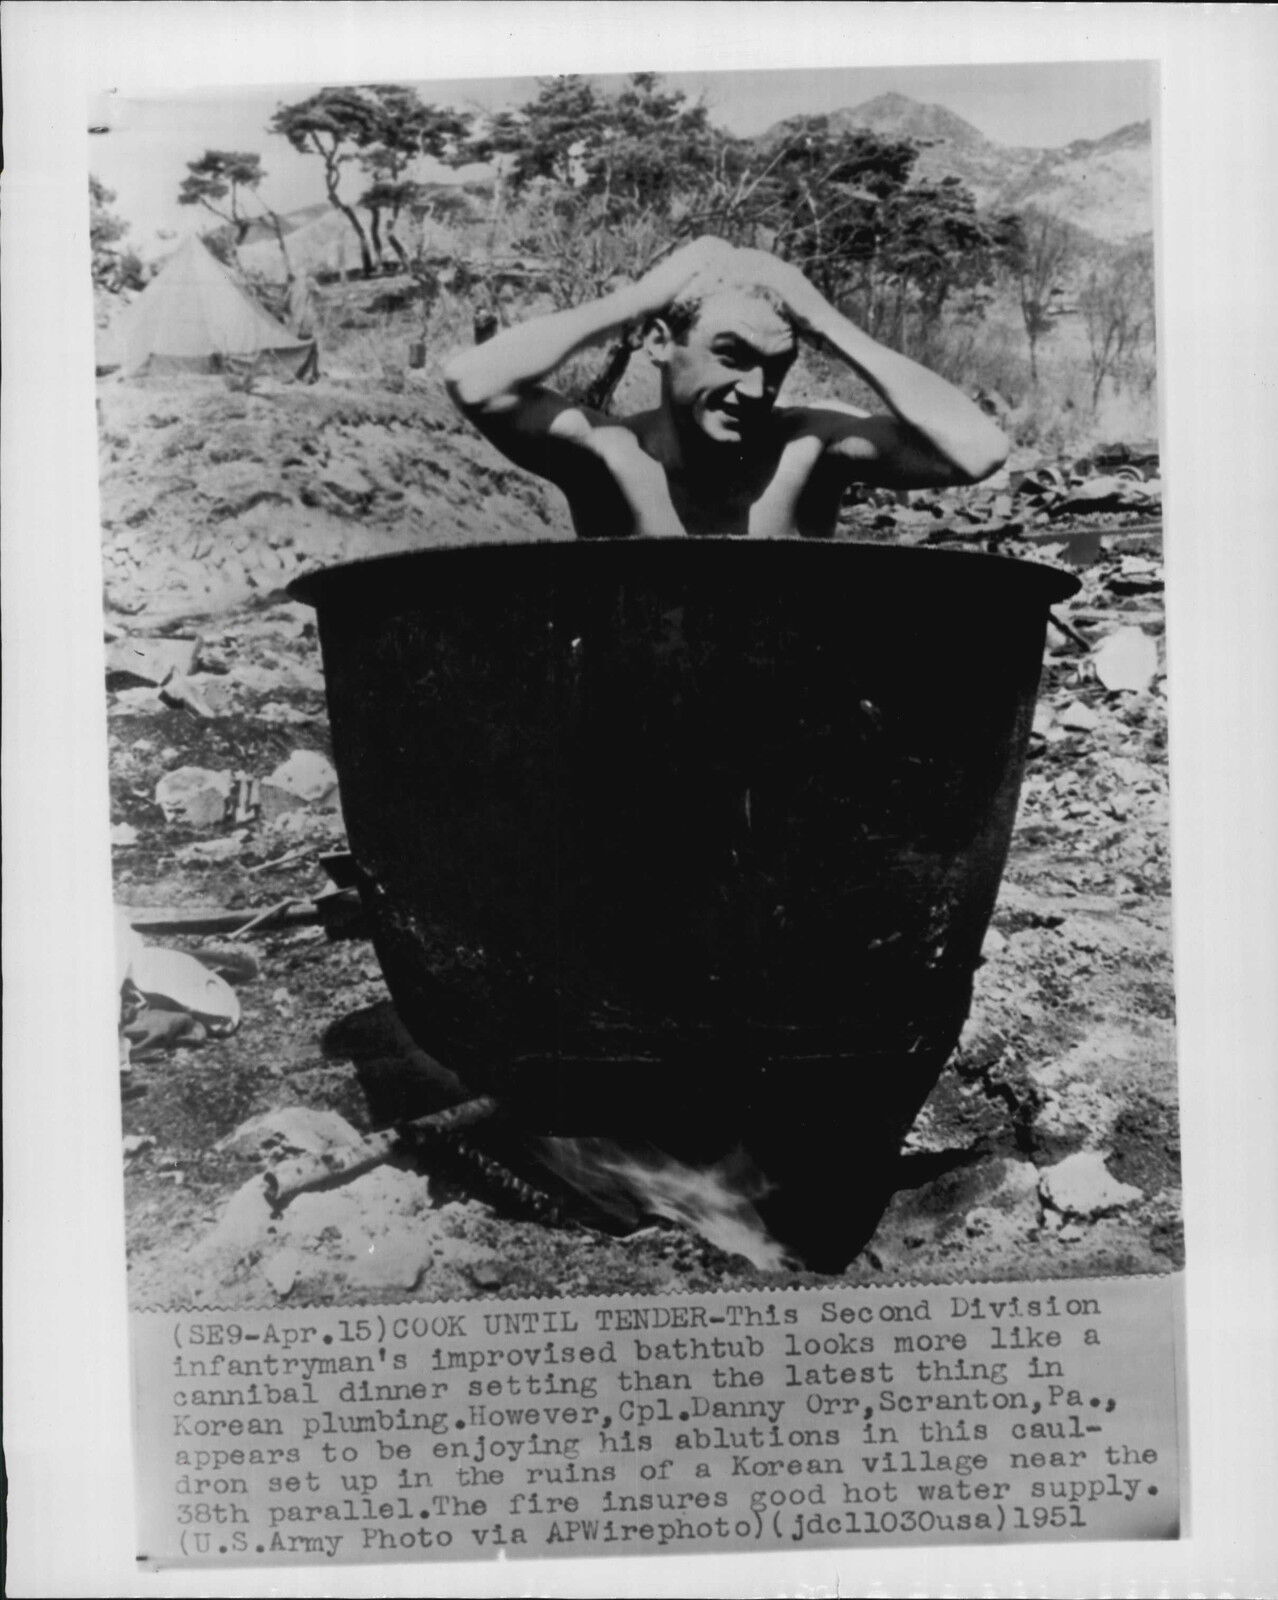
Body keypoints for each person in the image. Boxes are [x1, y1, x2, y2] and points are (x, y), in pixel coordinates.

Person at [443, 236, 1009, 539]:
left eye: (776, 366)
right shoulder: (610, 456)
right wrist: (636, 301)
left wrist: (829, 324)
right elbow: (471, 381)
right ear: (660, 344)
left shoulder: (807, 451)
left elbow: (980, 450)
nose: (756, 388)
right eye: (732, 356)